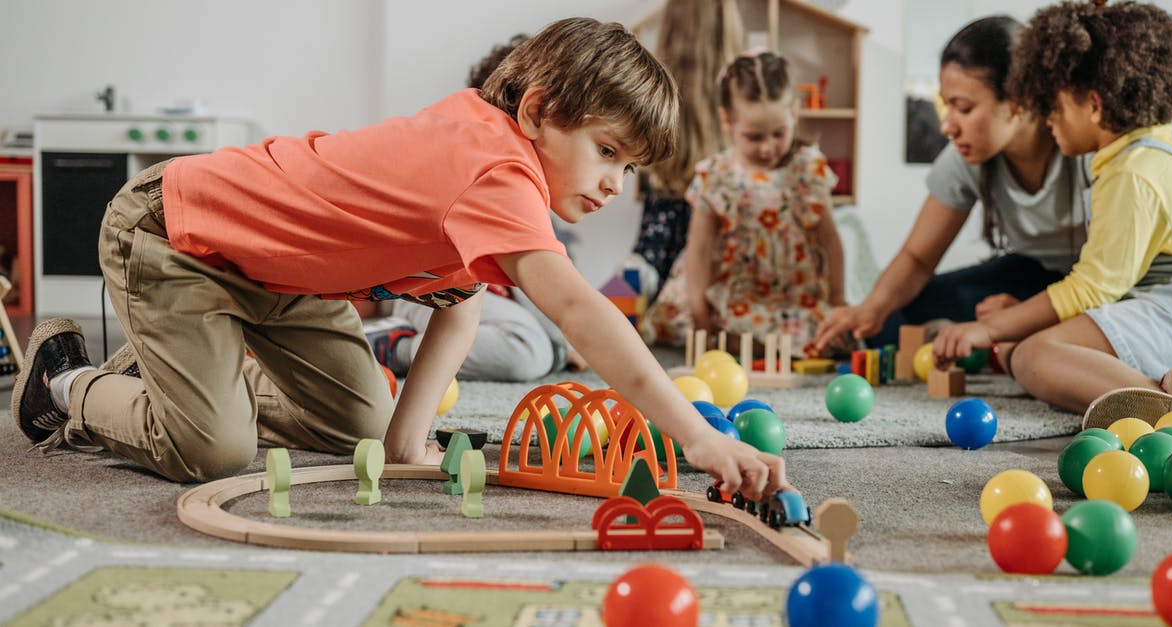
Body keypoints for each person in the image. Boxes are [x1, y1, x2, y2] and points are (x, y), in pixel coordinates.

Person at [11, 18, 787, 500]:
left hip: (284, 282)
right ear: (539, 111)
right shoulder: (496, 166)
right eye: (607, 151)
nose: (616, 184)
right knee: (212, 451)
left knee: (361, 431)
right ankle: (67, 381)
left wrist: (404, 444)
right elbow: (581, 312)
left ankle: (192, 377)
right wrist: (699, 437)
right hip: (177, 235)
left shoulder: (492, 169)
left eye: (631, 169)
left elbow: (461, 304)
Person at [932, 0, 1172, 421]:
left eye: (1053, 107)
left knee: (1034, 356)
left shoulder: (1134, 172)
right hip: (1163, 304)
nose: (1047, 120)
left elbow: (1093, 289)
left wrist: (989, 329)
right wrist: (1017, 318)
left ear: (1094, 105)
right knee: (1031, 346)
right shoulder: (1141, 154)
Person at [813, 16, 1091, 354]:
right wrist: (870, 309)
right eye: (946, 106)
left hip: (1102, 287)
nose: (946, 126)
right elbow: (917, 258)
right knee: (893, 320)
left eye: (963, 108)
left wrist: (1021, 316)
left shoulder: (1083, 148)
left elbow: (1109, 281)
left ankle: (1024, 336)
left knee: (1052, 336)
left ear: (1020, 101)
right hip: (1034, 275)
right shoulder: (965, 158)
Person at [362, 32, 588, 382]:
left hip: (488, 306)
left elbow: (552, 287)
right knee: (529, 349)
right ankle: (391, 346)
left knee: (535, 343)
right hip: (430, 293)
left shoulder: (538, 198)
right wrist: (564, 341)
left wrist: (568, 339)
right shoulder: (477, 177)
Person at [642, 49, 847, 358]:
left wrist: (838, 299)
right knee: (682, 322)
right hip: (736, 293)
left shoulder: (807, 168)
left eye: (779, 134)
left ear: (794, 112)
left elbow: (830, 240)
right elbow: (698, 249)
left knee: (827, 334)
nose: (767, 148)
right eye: (754, 137)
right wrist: (698, 308)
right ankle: (740, 341)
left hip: (792, 296)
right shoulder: (716, 175)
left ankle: (755, 344)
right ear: (727, 120)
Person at [623, 0, 744, 303]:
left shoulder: (658, 108)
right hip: (720, 279)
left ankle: (588, 340)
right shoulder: (742, 104)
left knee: (637, 271)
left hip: (667, 272)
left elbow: (649, 254)